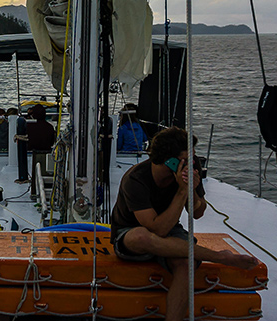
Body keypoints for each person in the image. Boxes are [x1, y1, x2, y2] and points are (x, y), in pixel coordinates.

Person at [110, 126, 260, 321]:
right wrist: (181, 191)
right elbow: (157, 229)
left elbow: (198, 212)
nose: (192, 162)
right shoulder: (135, 179)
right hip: (131, 232)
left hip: (171, 230)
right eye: (186, 159)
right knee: (141, 236)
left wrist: (191, 190)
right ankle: (220, 257)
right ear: (170, 161)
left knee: (185, 265)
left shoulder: (190, 167)